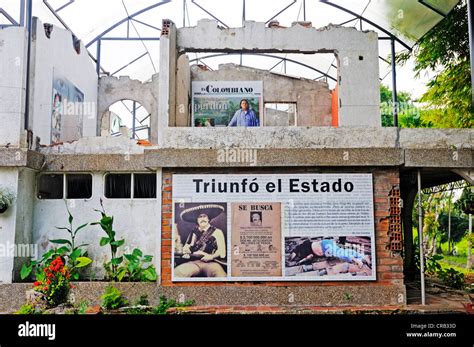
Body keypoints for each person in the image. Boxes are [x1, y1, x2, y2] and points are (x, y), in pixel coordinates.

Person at [174, 204, 227, 278]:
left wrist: (211, 257)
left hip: (211, 262)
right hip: (194, 262)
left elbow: (222, 252)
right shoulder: (193, 233)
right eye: (200, 217)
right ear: (197, 220)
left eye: (204, 216)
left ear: (208, 219)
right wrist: (186, 250)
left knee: (221, 276)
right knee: (177, 273)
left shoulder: (217, 232)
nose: (203, 219)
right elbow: (186, 246)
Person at [289, 238, 371, 269]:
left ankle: (357, 260)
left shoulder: (298, 248)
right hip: (326, 245)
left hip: (325, 246)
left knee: (340, 253)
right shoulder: (304, 249)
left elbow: (292, 256)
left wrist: (293, 260)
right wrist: (299, 261)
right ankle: (363, 257)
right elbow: (309, 256)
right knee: (343, 251)